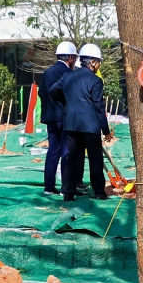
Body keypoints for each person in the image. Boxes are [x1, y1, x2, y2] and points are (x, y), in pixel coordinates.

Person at [55, 44, 112, 201]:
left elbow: (53, 90)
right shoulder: (95, 81)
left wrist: (67, 104)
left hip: (71, 125)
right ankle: (99, 192)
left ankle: (68, 193)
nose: (99, 65)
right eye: (98, 62)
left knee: (71, 158)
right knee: (95, 159)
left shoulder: (67, 77)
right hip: (89, 126)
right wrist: (105, 130)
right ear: (93, 62)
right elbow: (99, 107)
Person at [39, 41, 78, 195]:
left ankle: (49, 187)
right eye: (74, 57)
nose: (75, 61)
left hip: (50, 117)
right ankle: (66, 187)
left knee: (53, 151)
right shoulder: (68, 73)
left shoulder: (47, 72)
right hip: (64, 117)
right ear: (69, 57)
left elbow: (42, 92)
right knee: (66, 152)